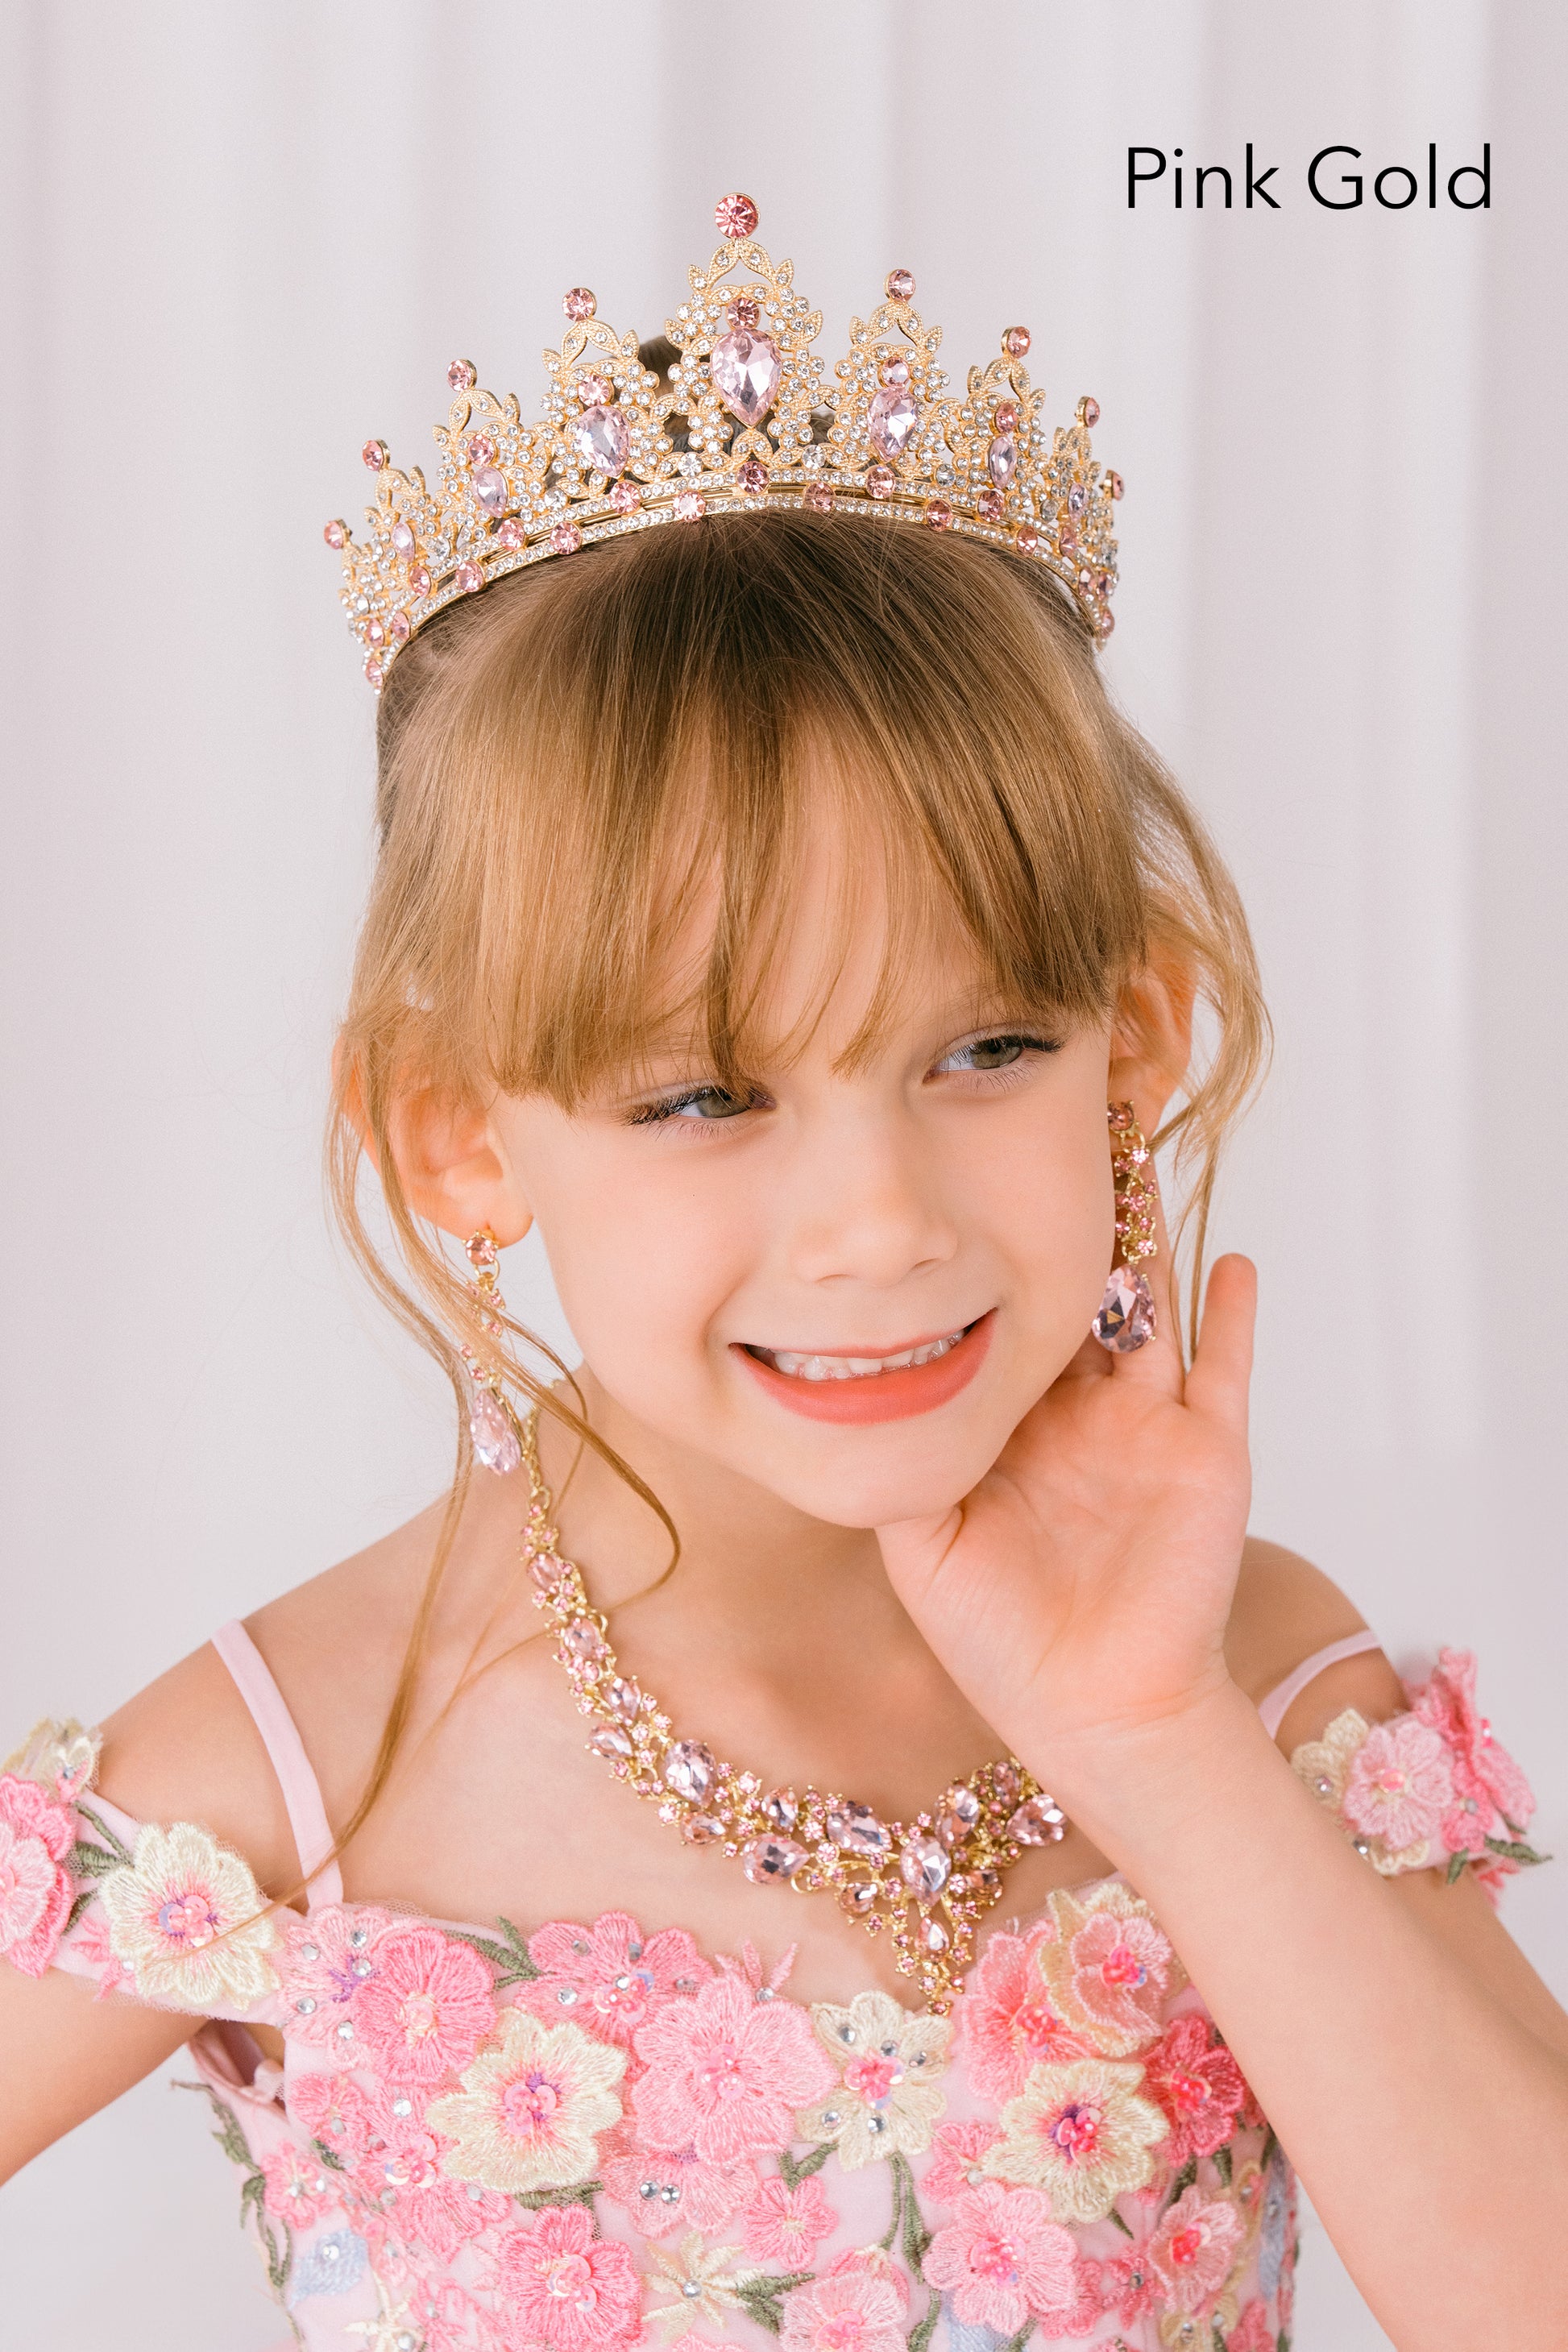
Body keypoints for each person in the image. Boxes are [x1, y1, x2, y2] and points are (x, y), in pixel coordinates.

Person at [2, 199, 1563, 2352]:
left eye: (983, 1050)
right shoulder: (302, 1763)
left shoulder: (1263, 1687)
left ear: (1138, 1035)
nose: (878, 1224)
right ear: (455, 1130)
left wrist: (1153, 1740)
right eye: (702, 1098)